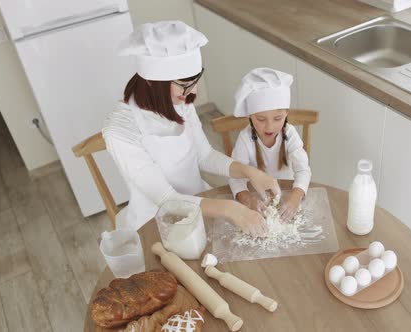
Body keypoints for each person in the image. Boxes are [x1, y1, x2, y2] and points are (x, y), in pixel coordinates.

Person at [102, 21, 279, 235]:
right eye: (185, 84)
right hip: (157, 222)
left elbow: (204, 156)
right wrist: (231, 209)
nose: (192, 91)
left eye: (195, 80)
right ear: (151, 82)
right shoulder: (120, 131)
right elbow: (167, 200)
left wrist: (249, 172)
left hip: (201, 202)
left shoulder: (179, 101)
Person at [229, 68, 312, 222]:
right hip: (256, 195)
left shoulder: (290, 134)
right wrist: (249, 200)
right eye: (261, 119)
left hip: (288, 191)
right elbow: (235, 178)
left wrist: (295, 197)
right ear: (250, 116)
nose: (269, 127)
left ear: (286, 114)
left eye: (277, 118)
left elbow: (303, 170)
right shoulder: (245, 139)